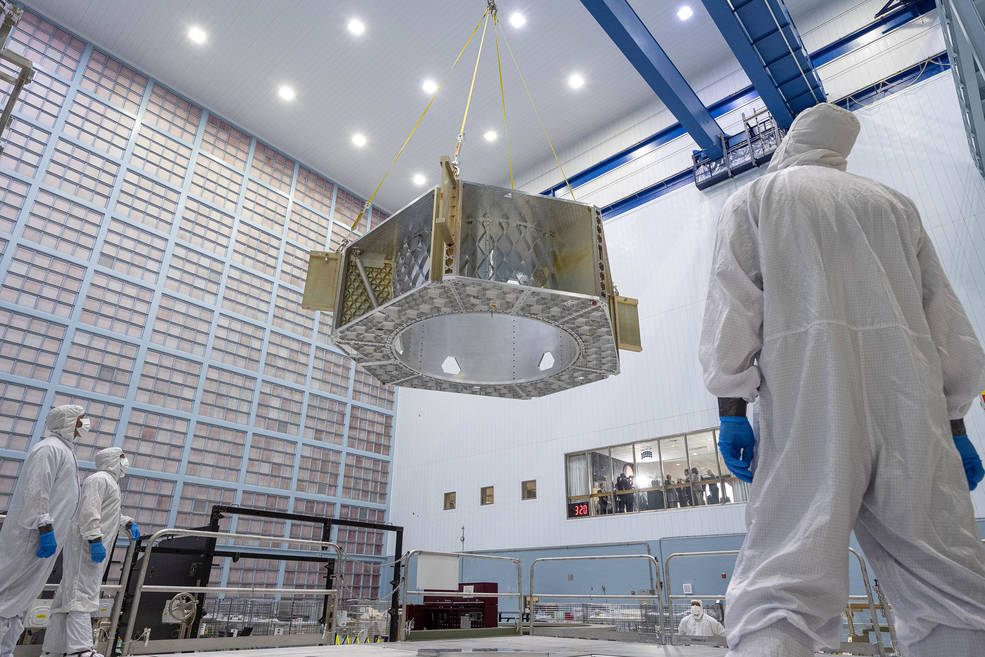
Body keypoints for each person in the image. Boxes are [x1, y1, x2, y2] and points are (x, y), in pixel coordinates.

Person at [699, 102, 985, 656]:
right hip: (911, 403)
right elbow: (946, 320)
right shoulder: (895, 205)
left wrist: (731, 407)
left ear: (792, 142)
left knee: (785, 579)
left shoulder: (759, 199)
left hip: (811, 399)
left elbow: (731, 309)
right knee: (949, 582)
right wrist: (954, 423)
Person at [0, 405, 86, 657]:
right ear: (68, 422)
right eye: (80, 420)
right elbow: (37, 491)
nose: (84, 425)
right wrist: (45, 527)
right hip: (32, 537)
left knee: (22, 600)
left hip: (46, 539)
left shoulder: (65, 451)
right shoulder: (48, 448)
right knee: (9, 596)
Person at [41, 447, 139, 657]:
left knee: (67, 597)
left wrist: (127, 522)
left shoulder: (110, 483)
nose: (126, 462)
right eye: (122, 457)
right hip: (87, 545)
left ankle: (54, 649)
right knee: (81, 595)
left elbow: (107, 513)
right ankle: (80, 650)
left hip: (93, 543)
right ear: (113, 460)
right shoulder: (99, 479)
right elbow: (89, 512)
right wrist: (94, 540)